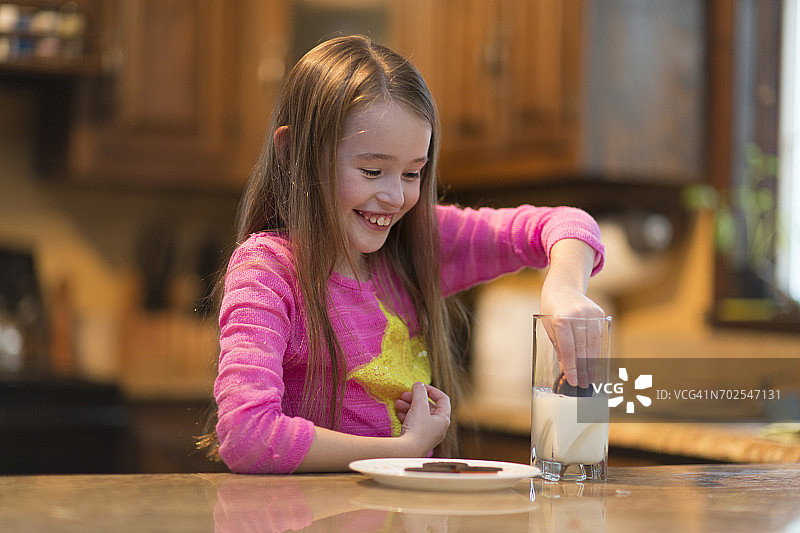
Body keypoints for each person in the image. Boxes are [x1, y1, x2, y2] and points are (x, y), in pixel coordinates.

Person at [203, 35, 605, 474]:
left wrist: (564, 286)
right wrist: (405, 450)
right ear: (292, 153)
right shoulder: (268, 270)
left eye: (413, 173)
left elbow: (566, 223)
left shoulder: (416, 242)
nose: (395, 197)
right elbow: (248, 436)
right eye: (372, 171)